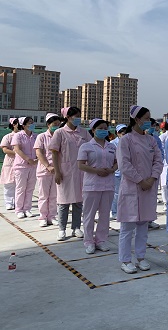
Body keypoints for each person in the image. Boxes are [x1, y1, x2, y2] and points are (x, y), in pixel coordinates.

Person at [116, 106, 163, 274]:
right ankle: (125, 260)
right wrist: (140, 180)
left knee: (143, 226)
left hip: (148, 188)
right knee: (127, 227)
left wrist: (152, 178)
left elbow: (158, 160)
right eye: (146, 118)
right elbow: (124, 165)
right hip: (132, 187)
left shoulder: (151, 140)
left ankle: (141, 257)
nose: (149, 121)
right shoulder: (126, 140)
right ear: (137, 120)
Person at [49, 107, 91, 241]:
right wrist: (57, 171)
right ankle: (62, 229)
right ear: (67, 117)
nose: (78, 118)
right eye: (75, 116)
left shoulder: (84, 132)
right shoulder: (60, 132)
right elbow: (54, 153)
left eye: (79, 116)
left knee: (79, 201)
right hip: (65, 171)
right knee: (63, 202)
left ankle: (76, 227)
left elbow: (91, 147)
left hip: (81, 171)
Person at [78, 118, 118, 254]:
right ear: (93, 130)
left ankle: (101, 240)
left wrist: (112, 169)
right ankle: (89, 241)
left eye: (105, 128)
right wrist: (96, 171)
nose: (103, 131)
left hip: (108, 184)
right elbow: (81, 165)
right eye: (100, 128)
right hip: (92, 185)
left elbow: (117, 162)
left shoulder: (112, 146)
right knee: (89, 215)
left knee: (105, 214)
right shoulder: (86, 146)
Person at [34, 114, 61, 226]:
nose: (56, 126)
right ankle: (43, 217)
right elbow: (39, 153)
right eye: (54, 124)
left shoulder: (60, 136)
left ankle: (52, 216)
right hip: (44, 171)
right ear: (48, 124)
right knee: (44, 195)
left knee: (54, 195)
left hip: (57, 170)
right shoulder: (41, 137)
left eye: (58, 124)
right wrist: (48, 166)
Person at [12, 117, 38, 218]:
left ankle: (27, 209)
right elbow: (17, 149)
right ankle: (19, 209)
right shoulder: (18, 135)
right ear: (23, 125)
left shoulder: (35, 136)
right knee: (21, 188)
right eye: (29, 123)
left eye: (32, 122)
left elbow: (39, 149)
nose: (32, 124)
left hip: (33, 165)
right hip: (21, 166)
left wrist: (36, 159)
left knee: (30, 188)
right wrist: (28, 159)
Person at [1, 118, 19, 210]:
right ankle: (9, 202)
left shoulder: (24, 136)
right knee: (9, 183)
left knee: (20, 183)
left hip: (22, 163)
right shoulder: (8, 137)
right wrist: (18, 153)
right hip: (10, 162)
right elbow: (5, 149)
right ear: (14, 125)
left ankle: (18, 202)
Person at [110, 124, 127, 220]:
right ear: (118, 133)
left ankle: (124, 211)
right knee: (116, 193)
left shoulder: (129, 142)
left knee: (126, 193)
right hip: (117, 172)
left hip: (127, 172)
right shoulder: (112, 144)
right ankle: (115, 211)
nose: (124, 135)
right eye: (123, 133)